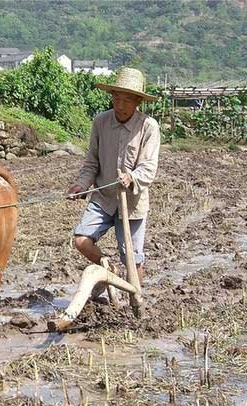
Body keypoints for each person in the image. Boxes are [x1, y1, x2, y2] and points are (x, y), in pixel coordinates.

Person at [67, 67, 160, 297]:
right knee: (81, 240)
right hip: (104, 198)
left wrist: (132, 177)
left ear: (138, 101)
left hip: (132, 203)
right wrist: (81, 184)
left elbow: (148, 167)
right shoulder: (100, 122)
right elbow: (92, 162)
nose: (120, 105)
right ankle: (107, 266)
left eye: (127, 100)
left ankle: (135, 301)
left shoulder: (148, 127)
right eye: (116, 98)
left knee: (133, 258)